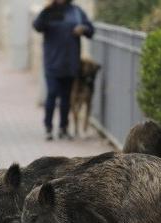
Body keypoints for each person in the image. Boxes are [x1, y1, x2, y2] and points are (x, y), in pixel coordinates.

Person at [33, 0, 94, 140]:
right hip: (52, 61)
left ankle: (63, 128)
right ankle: (48, 127)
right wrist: (45, 10)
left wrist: (83, 29)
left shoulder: (76, 11)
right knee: (52, 93)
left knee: (66, 97)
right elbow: (37, 26)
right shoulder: (49, 11)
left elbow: (91, 30)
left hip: (70, 62)